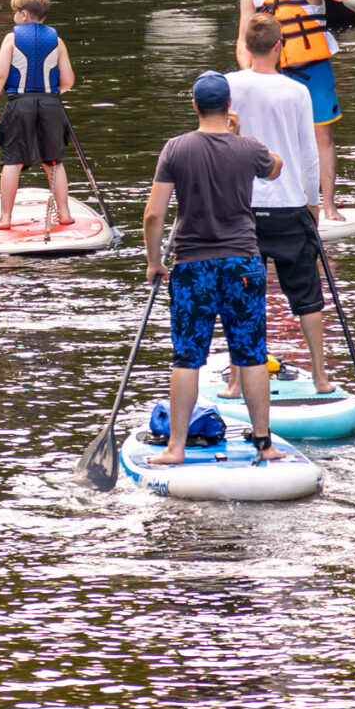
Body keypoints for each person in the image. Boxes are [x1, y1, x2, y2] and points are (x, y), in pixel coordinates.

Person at [141, 72, 283, 466]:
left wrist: (155, 262)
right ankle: (264, 445)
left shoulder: (175, 149)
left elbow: (154, 214)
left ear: (195, 106)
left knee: (187, 358)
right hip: (243, 264)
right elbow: (276, 168)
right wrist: (239, 135)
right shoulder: (248, 147)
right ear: (228, 105)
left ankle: (176, 449)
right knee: (252, 354)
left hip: (192, 265)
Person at [228, 15, 338, 390]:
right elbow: (309, 154)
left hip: (242, 209)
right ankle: (321, 377)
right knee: (307, 295)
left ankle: (234, 380)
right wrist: (313, 203)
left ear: (245, 46)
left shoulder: (227, 86)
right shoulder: (297, 91)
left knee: (242, 296)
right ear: (280, 47)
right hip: (290, 205)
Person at [237, 0, 353, 211]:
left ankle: (327, 205)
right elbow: (242, 42)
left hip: (313, 70)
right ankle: (281, 202)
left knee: (321, 136)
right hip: (274, 76)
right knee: (271, 138)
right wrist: (249, 75)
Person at [0, 0, 77, 232]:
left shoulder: (12, 38)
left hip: (19, 103)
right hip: (51, 103)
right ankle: (64, 214)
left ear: (23, 14)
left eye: (15, 11)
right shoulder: (57, 40)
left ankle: (5, 218)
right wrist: (50, 96)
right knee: (54, 161)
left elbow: (0, 73)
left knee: (12, 160)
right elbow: (67, 81)